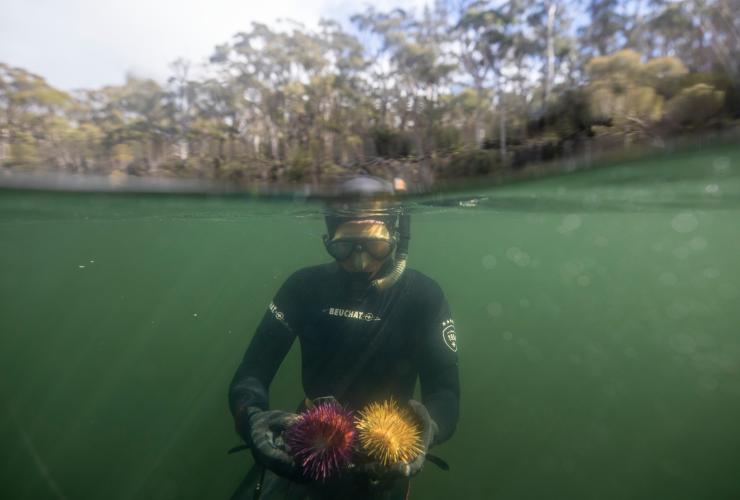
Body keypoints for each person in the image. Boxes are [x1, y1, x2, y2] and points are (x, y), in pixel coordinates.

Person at [229, 176, 460, 499]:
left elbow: (446, 393)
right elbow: (253, 371)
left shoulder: (424, 297)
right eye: (344, 247)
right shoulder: (303, 287)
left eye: (375, 245)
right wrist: (252, 418)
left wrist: (430, 428)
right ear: (328, 240)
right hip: (308, 442)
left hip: (385, 458)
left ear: (395, 236)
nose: (361, 261)